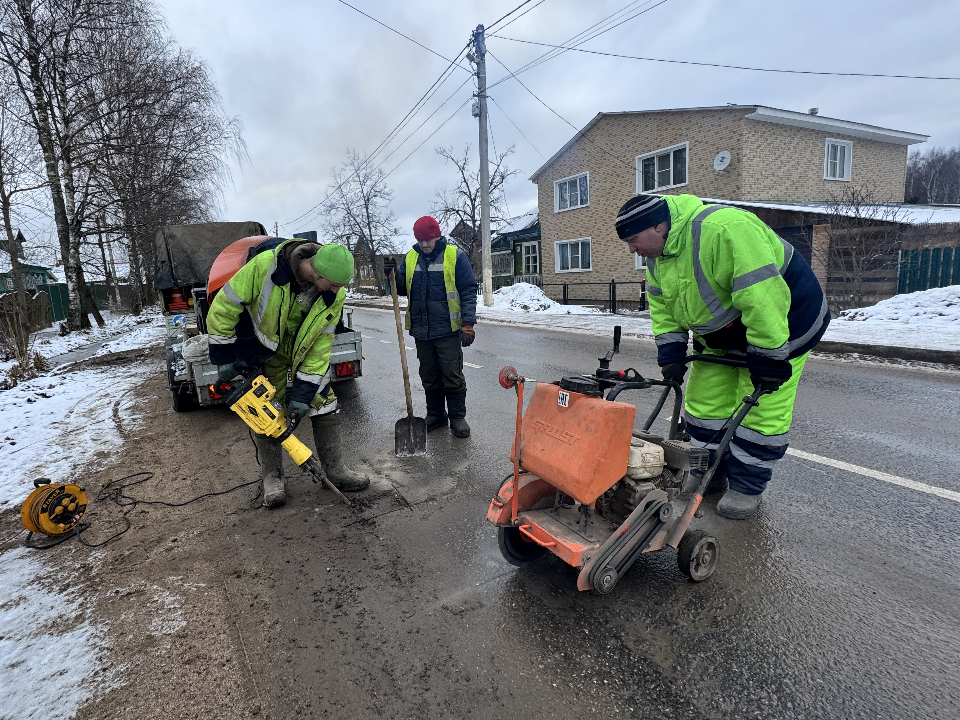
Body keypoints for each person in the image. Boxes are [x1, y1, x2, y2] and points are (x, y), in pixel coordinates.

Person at [615, 194, 830, 519]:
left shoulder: (724, 230)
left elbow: (763, 299)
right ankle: (704, 471)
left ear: (658, 225)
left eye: (633, 239)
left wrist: (770, 357)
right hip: (722, 332)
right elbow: (663, 309)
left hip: (785, 323)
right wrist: (671, 353)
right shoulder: (656, 258)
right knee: (705, 403)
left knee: (761, 409)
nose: (632, 249)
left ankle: (746, 486)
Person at [206, 237, 371, 507]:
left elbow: (321, 345)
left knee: (325, 404)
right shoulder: (265, 267)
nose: (338, 290)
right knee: (267, 412)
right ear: (317, 273)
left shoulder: (333, 295)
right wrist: (223, 354)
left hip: (302, 353)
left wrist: (304, 395)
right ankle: (273, 478)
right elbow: (225, 305)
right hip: (265, 351)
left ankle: (337, 472)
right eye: (334, 284)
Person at [384, 216, 478, 438]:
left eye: (429, 240)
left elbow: (468, 290)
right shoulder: (411, 257)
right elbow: (401, 288)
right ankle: (435, 414)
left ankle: (457, 417)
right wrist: (392, 275)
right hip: (422, 330)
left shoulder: (455, 256)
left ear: (437, 236)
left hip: (447, 329)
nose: (425, 244)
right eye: (421, 240)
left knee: (452, 373)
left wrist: (467, 323)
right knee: (429, 374)